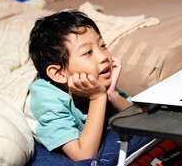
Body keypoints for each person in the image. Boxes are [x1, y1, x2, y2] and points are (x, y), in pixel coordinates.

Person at [25, 10, 132, 162]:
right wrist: (97, 98)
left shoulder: (95, 81)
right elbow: (84, 155)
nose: (103, 57)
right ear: (59, 74)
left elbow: (141, 118)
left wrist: (111, 93)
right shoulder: (47, 99)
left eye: (103, 45)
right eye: (88, 52)